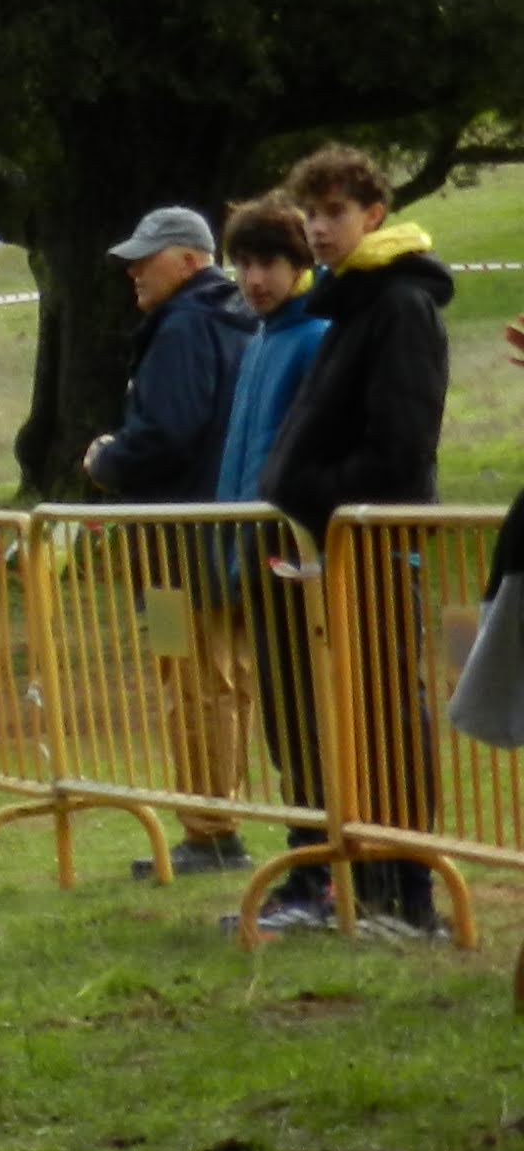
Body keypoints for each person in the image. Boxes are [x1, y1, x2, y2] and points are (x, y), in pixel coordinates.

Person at [257, 144, 456, 937]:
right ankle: (364, 886)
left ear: (375, 214)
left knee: (389, 716)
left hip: (377, 541)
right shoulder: (348, 303)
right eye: (311, 213)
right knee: (347, 717)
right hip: (330, 546)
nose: (319, 226)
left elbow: (401, 447)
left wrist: (310, 490)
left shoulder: (401, 307)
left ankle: (409, 895)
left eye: (335, 211)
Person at [82, 204, 255, 875]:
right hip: (227, 534)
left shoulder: (184, 325)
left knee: (190, 682)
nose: (131, 271)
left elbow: (166, 434)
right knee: (227, 678)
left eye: (144, 258)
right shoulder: (241, 320)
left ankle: (209, 830)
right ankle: (219, 819)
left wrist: (106, 460)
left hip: (177, 545)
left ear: (189, 259)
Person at [215, 198, 332, 898]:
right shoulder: (258, 340)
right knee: (283, 715)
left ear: (301, 265)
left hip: (294, 554)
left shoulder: (314, 336)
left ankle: (318, 862)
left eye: (270, 263)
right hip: (252, 546)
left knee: (306, 711)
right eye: (247, 264)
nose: (256, 279)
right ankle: (303, 850)